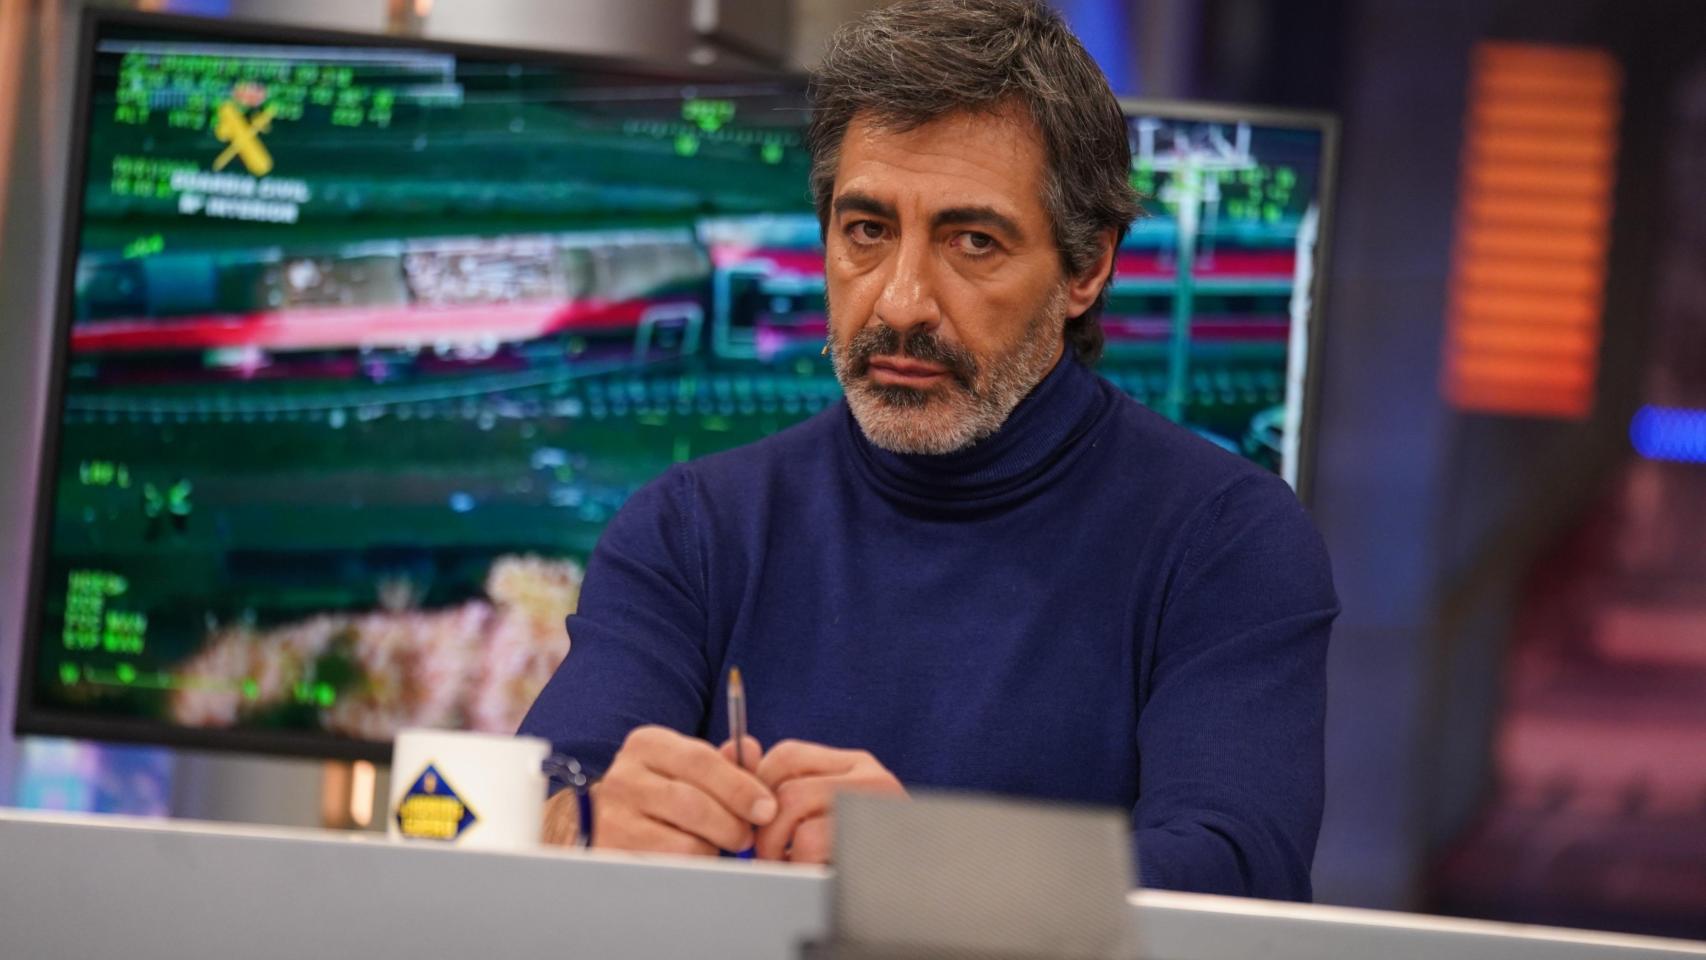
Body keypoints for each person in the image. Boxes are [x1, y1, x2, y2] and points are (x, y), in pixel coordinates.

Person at [519, 0, 1338, 901]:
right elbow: (530, 798)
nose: (901, 302)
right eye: (867, 232)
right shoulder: (692, 527)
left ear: (1087, 266)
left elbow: (1238, 874)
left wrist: (924, 861)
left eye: (973, 241)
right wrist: (581, 823)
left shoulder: (1226, 538)